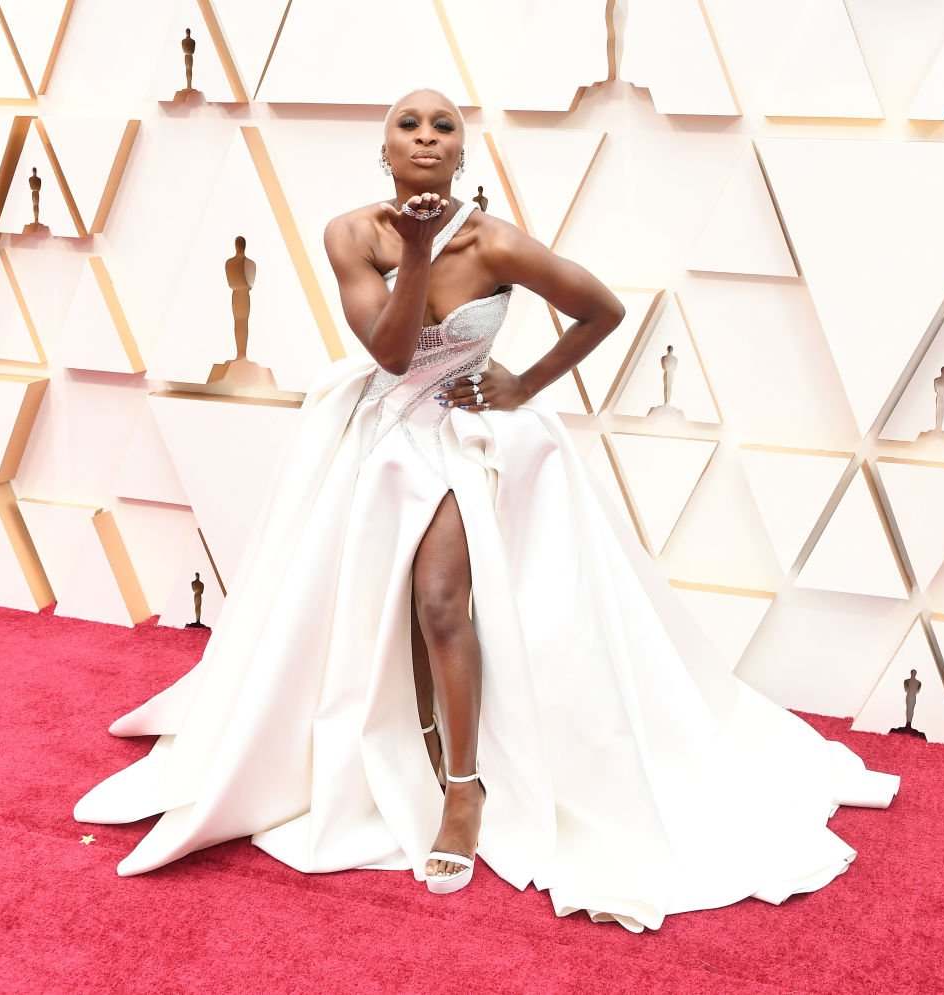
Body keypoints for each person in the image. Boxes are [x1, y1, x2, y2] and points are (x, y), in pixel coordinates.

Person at [74, 88, 900, 932]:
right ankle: (389, 747)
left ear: (461, 154)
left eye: (444, 127)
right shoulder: (350, 233)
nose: (426, 136)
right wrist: (420, 253)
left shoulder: (496, 240)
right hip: (380, 433)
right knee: (355, 603)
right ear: (385, 147)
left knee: (440, 600)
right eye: (409, 123)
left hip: (469, 436)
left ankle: (463, 791)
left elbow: (602, 309)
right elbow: (391, 353)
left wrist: (524, 383)